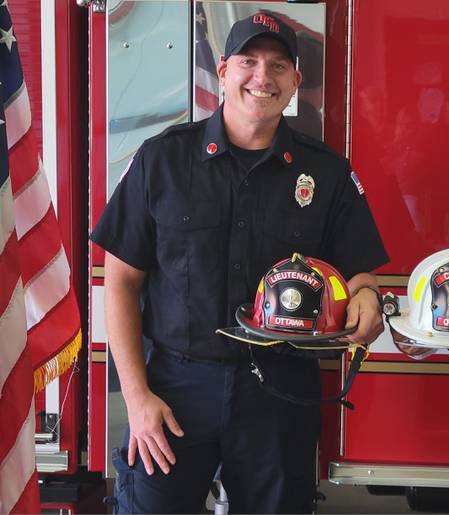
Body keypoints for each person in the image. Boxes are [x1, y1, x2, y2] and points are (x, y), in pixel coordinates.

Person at [91, 11, 388, 514]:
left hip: (281, 390)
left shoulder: (327, 173)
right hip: (176, 390)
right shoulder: (161, 160)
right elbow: (119, 282)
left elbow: (360, 270)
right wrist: (137, 399)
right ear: (224, 69)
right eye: (248, 61)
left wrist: (366, 296)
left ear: (295, 80)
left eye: (277, 66)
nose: (262, 77)